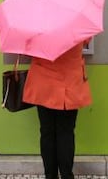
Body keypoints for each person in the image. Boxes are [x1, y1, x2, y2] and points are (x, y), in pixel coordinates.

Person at [22, 40, 92, 179]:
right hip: (69, 84)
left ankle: (50, 175)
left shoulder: (37, 25)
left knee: (47, 132)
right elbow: (86, 40)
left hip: (43, 84)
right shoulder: (76, 23)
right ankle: (66, 175)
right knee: (65, 132)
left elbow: (28, 48)